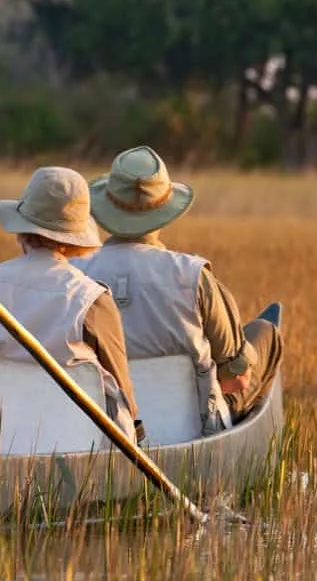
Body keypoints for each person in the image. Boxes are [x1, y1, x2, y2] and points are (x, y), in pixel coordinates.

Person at [0, 166, 143, 447]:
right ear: (74, 238)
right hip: (76, 454)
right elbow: (125, 400)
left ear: (21, 228)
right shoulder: (93, 301)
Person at [78, 146, 283, 434]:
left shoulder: (74, 275)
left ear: (106, 208)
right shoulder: (195, 276)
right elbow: (237, 379)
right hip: (196, 429)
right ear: (165, 211)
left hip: (103, 433)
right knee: (266, 332)